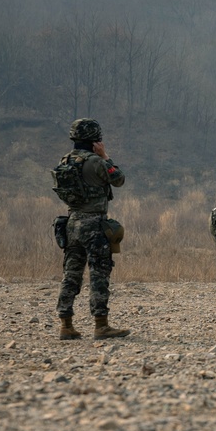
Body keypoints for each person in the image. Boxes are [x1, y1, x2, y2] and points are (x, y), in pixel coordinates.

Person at [53, 118, 130, 340]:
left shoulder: (66, 160)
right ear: (95, 140)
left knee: (71, 275)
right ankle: (101, 325)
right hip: (94, 225)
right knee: (99, 273)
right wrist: (106, 155)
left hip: (72, 223)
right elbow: (119, 178)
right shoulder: (97, 162)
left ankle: (66, 324)